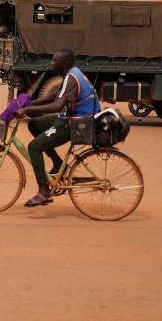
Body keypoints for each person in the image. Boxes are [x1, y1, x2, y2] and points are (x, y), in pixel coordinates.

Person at [15, 49, 101, 207]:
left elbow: (57, 105)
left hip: (78, 123)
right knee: (34, 124)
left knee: (34, 147)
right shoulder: (71, 74)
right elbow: (53, 96)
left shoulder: (72, 78)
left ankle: (43, 192)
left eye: (55, 61)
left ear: (65, 63)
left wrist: (27, 110)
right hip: (71, 117)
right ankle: (57, 162)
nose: (52, 63)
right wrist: (30, 104)